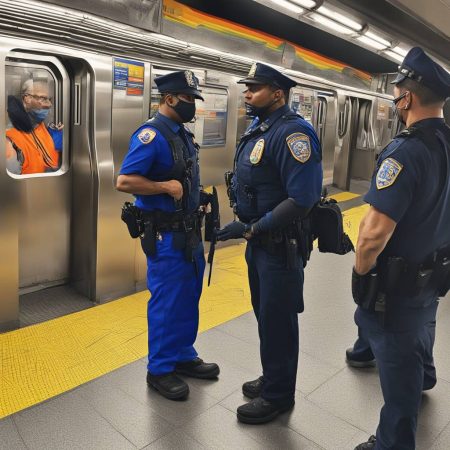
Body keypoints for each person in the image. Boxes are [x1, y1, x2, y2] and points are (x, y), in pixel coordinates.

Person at [350, 47, 450, 450]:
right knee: (423, 330)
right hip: (436, 272)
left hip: (399, 285)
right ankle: (425, 372)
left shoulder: (405, 151)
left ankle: (392, 443)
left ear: (406, 97)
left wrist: (361, 273)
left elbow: (373, 235)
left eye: (396, 92)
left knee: (397, 374)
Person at [216, 63, 322, 424]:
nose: (247, 93)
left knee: (278, 320)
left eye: (255, 88)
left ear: (278, 93)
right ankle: (272, 375)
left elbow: (302, 198)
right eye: (247, 87)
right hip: (260, 242)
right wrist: (247, 226)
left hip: (279, 245)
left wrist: (255, 227)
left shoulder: (294, 135)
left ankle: (279, 396)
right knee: (265, 315)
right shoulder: (260, 128)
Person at [116, 70, 219, 401]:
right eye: (189, 99)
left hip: (189, 231)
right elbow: (125, 181)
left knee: (188, 295)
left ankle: (183, 354)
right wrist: (163, 187)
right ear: (170, 98)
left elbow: (183, 176)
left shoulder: (182, 133)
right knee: (166, 301)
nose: (193, 105)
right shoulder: (150, 135)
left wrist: (196, 197)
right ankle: (159, 369)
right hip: (165, 236)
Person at [6, 78, 63, 175]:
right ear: (27, 99)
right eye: (43, 99)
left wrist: (54, 138)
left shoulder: (39, 124)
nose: (49, 104)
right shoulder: (9, 138)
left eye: (50, 100)